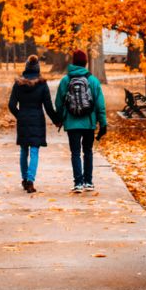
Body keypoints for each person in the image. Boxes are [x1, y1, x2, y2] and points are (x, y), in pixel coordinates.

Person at [55, 49, 107, 193]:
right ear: (85, 63)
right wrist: (103, 123)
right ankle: (88, 182)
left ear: (73, 62)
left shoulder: (66, 80)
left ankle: (78, 183)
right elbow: (100, 104)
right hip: (89, 122)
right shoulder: (93, 80)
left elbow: (59, 102)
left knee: (75, 153)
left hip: (72, 123)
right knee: (88, 151)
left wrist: (59, 118)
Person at [8, 55, 59, 193]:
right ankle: (31, 180)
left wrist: (20, 115)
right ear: (38, 69)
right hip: (37, 119)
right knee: (34, 151)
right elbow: (48, 107)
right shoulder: (42, 84)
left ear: (26, 68)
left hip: (23, 119)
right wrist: (56, 120)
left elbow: (11, 105)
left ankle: (24, 179)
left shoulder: (18, 84)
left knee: (24, 151)